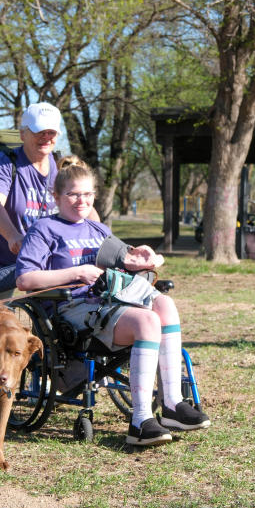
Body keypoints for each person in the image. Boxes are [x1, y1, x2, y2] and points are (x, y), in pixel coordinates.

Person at [13, 157, 211, 446]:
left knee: (164, 305)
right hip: (71, 309)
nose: (81, 201)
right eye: (73, 194)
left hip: (109, 302)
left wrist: (143, 258)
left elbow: (124, 261)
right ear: (56, 196)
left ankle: (172, 404)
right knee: (147, 320)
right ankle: (141, 420)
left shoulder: (99, 230)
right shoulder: (44, 229)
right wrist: (75, 273)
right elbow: (25, 280)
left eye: (88, 194)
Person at [0, 102, 97, 301]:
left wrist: (106, 241)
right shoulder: (5, 162)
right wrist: (12, 236)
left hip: (42, 264)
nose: (46, 137)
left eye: (51, 132)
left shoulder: (61, 167)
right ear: (23, 134)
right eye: (39, 131)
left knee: (52, 323)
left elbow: (85, 206)